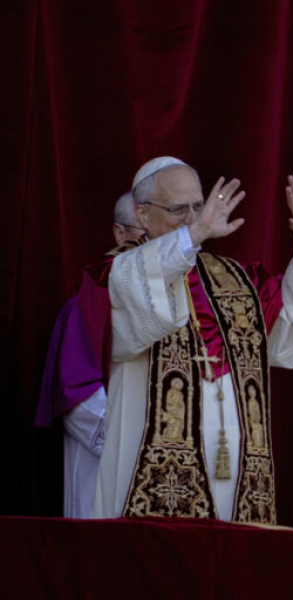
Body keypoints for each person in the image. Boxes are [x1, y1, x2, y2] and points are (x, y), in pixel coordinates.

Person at [84, 156, 293, 524]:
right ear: (142, 214)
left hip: (235, 469)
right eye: (179, 209)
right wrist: (195, 234)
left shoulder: (232, 278)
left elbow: (292, 313)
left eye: (198, 207)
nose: (193, 218)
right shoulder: (118, 272)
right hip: (148, 469)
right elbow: (137, 292)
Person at [35, 192, 145, 518]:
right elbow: (77, 396)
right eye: (145, 235)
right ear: (120, 233)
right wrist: (141, 440)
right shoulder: (88, 307)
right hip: (105, 462)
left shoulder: (187, 309)